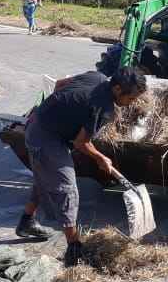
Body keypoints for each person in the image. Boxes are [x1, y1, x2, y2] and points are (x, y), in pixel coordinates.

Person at [15, 67, 148, 266]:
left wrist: (57, 111)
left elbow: (59, 84)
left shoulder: (97, 76)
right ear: (118, 89)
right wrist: (100, 158)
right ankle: (74, 247)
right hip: (45, 137)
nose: (133, 103)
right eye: (131, 98)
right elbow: (81, 143)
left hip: (41, 123)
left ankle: (26, 221)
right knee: (68, 190)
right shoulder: (102, 108)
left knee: (46, 175)